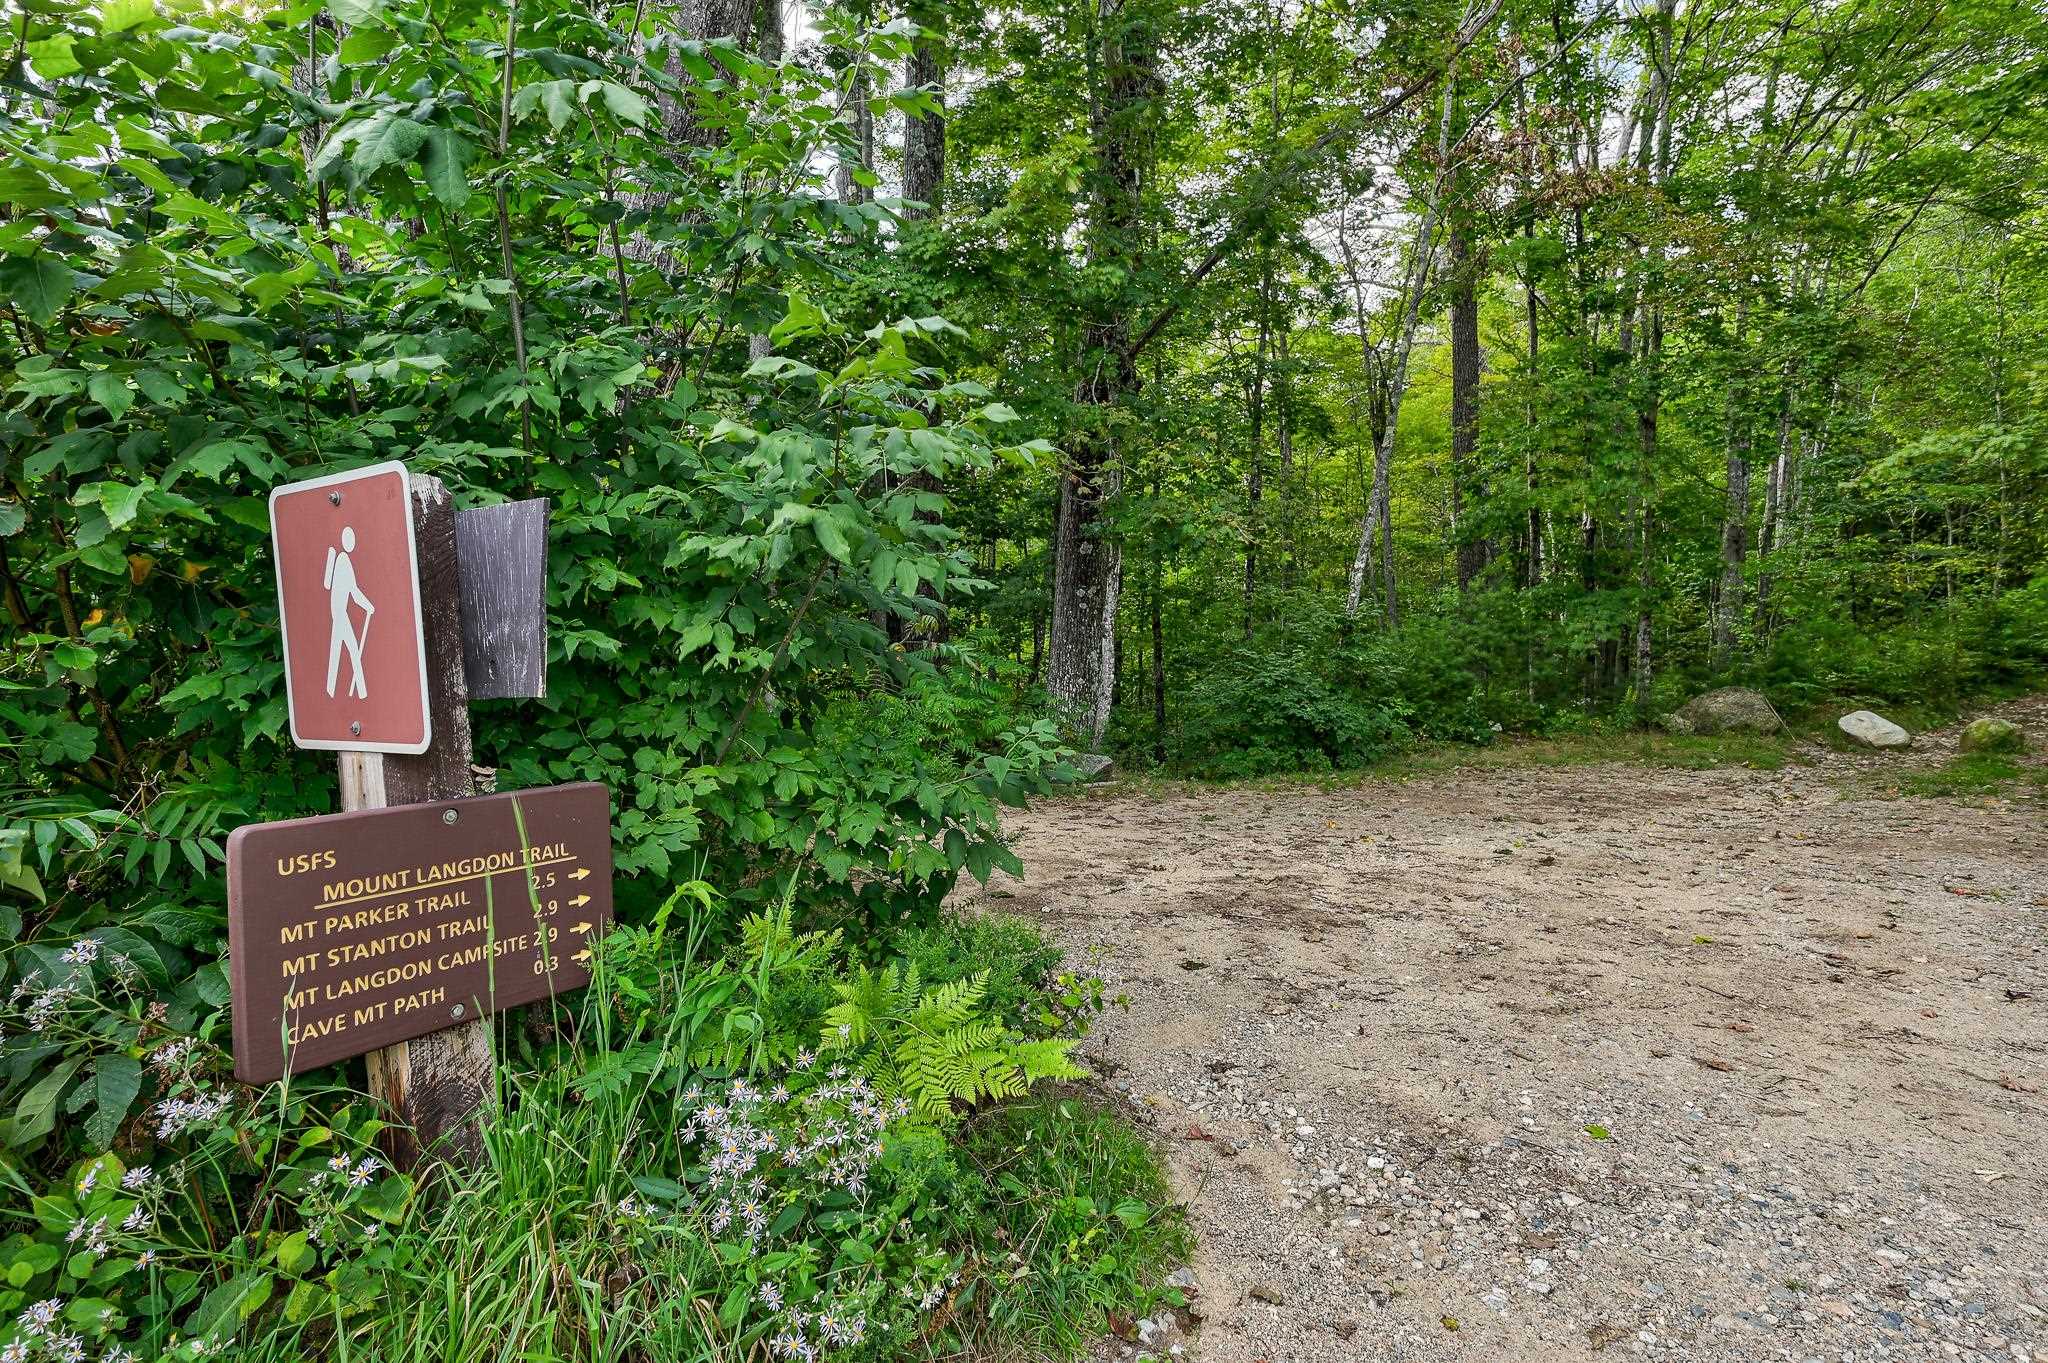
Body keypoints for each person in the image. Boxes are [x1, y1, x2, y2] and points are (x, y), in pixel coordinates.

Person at [323, 526, 374, 699]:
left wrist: (367, 605)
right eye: (350, 540)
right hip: (340, 613)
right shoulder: (343, 560)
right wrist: (368, 606)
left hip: (337, 612)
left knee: (336, 651)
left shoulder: (341, 559)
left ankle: (330, 690)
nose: (353, 543)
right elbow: (354, 591)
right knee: (352, 650)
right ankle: (362, 693)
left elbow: (352, 592)